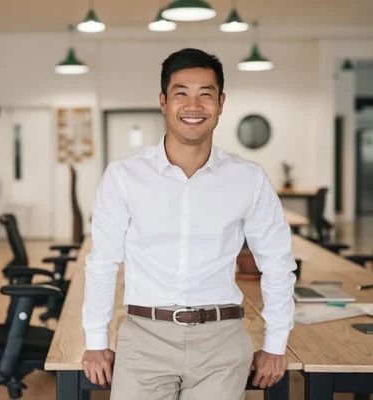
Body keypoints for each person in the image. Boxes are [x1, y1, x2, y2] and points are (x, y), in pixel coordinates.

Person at [81, 48, 296, 400]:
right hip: (144, 336)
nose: (194, 106)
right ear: (163, 101)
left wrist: (275, 344)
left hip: (222, 339)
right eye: (182, 93)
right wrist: (95, 340)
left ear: (221, 103)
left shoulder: (249, 179)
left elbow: (277, 263)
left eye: (205, 94)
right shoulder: (123, 177)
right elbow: (102, 263)